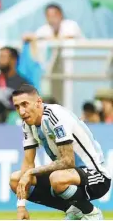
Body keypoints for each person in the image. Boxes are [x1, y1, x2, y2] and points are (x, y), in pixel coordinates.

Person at [10, 84, 111, 220]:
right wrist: (21, 206)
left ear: (38, 102)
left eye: (25, 104)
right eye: (17, 107)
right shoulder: (27, 123)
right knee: (15, 179)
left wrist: (31, 172)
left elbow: (68, 161)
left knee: (57, 179)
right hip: (69, 175)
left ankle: (91, 213)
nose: (21, 111)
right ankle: (74, 210)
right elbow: (28, 163)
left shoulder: (55, 116)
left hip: (96, 177)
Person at [0, 47, 28, 123]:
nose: (0, 61)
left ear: (13, 60)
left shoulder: (23, 83)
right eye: (0, 57)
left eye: (3, 57)